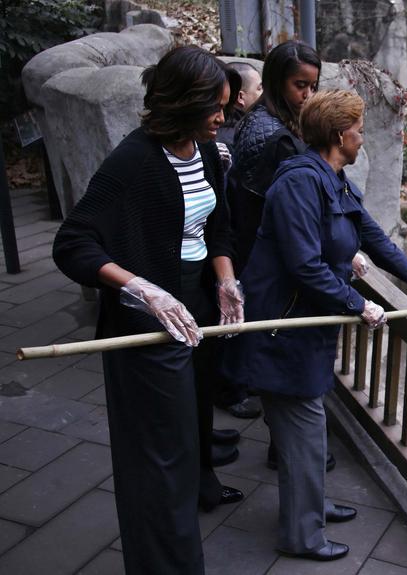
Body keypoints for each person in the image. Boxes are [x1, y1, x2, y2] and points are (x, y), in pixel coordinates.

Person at [225, 89, 407, 561]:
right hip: (282, 326)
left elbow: (372, 236)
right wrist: (358, 302)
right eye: (358, 132)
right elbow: (303, 263)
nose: (362, 140)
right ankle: (301, 534)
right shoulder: (299, 182)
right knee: (301, 435)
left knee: (312, 431)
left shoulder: (332, 178)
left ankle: (313, 506)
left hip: (307, 328)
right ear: (340, 135)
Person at [53, 46, 245, 574]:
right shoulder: (134, 161)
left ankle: (200, 498)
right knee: (160, 459)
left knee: (192, 434)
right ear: (183, 103)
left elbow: (217, 225)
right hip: (149, 325)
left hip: (200, 308)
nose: (222, 118)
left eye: (226, 106)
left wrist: (226, 280)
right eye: (214, 107)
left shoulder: (207, 152)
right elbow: (73, 243)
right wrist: (142, 289)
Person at [215, 40, 322, 420]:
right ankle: (234, 389)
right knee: (252, 323)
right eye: (300, 85)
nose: (307, 94)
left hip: (250, 238)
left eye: (313, 86)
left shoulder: (263, 119)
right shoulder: (274, 135)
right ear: (278, 82)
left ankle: (238, 384)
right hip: (257, 243)